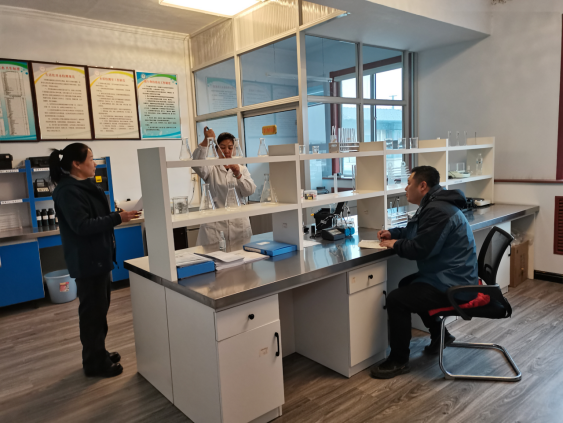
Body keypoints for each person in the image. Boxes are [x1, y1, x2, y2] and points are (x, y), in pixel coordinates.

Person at [370, 165, 478, 379]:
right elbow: (417, 232)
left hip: (455, 284)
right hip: (452, 276)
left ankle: (398, 361)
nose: (405, 188)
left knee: (397, 299)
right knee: (407, 285)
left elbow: (421, 248)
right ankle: (440, 335)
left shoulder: (438, 209)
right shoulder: (434, 204)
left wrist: (395, 244)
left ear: (422, 186)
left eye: (409, 183)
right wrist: (394, 233)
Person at [49, 143, 138, 378]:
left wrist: (116, 215)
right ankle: (94, 363)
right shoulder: (68, 191)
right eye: (90, 158)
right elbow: (82, 226)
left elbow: (95, 217)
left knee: (99, 311)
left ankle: (98, 352)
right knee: (92, 314)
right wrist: (117, 218)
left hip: (98, 258)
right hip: (88, 261)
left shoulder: (84, 186)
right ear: (76, 164)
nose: (95, 163)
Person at [192, 127, 257, 246]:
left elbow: (249, 191)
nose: (227, 151)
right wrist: (207, 140)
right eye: (222, 147)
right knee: (215, 256)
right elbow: (196, 163)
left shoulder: (242, 169)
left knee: (242, 256)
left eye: (230, 148)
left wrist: (238, 175)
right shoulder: (210, 168)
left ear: (235, 150)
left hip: (239, 225)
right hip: (215, 226)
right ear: (216, 150)